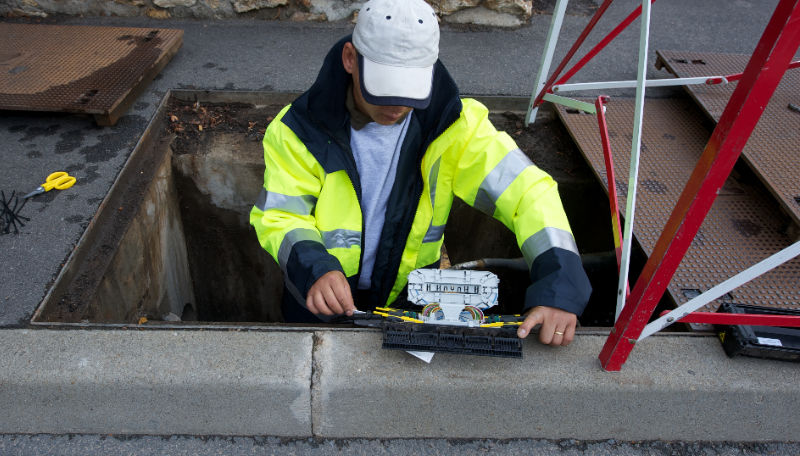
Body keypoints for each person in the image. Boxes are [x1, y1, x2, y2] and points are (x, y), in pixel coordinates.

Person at [250, 0, 591, 346]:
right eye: (384, 87)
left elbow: (529, 193)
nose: (397, 105)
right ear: (351, 59)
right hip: (317, 302)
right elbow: (280, 215)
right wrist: (315, 269)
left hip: (408, 305)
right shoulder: (297, 131)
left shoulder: (456, 128)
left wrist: (559, 287)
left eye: (410, 88)